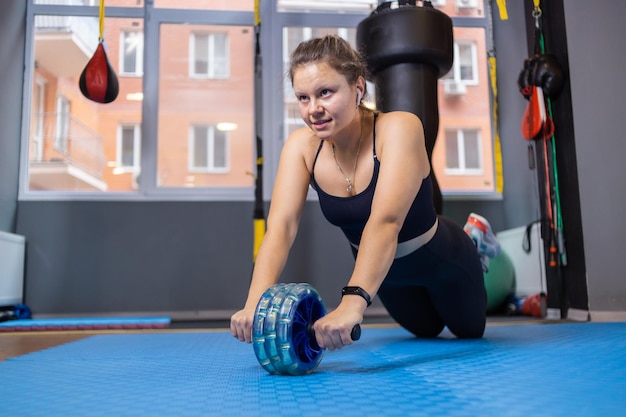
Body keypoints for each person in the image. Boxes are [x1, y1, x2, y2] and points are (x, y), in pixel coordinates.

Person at [230, 34, 499, 350]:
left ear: (358, 88)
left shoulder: (399, 128)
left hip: (442, 258)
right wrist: (256, 302)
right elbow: (281, 228)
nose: (313, 109)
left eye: (325, 93)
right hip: (384, 270)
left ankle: (474, 240)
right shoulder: (301, 148)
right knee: (426, 330)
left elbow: (385, 221)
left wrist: (351, 302)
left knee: (468, 331)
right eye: (303, 98)